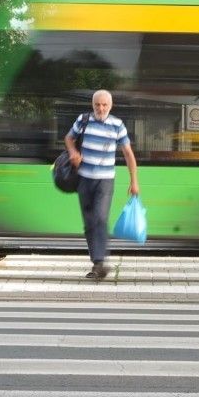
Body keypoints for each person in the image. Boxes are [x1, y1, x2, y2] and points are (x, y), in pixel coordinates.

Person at [64, 89, 139, 279]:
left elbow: (128, 154)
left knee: (100, 218)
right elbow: (68, 138)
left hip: (105, 181)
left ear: (110, 105)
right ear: (92, 104)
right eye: (97, 104)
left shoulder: (117, 125)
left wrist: (134, 181)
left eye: (105, 104)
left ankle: (99, 263)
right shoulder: (83, 119)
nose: (101, 108)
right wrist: (73, 152)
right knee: (89, 223)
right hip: (84, 180)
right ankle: (97, 262)